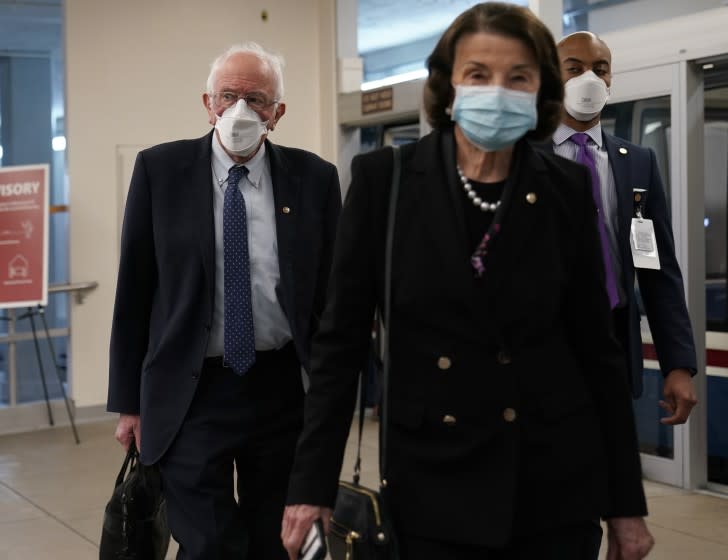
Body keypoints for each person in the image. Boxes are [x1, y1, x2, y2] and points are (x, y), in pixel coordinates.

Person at [281, 3, 653, 559]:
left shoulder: (565, 189)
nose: (497, 90)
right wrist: (311, 487)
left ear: (540, 92)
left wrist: (625, 503)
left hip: (551, 483)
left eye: (518, 77)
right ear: (448, 87)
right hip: (431, 481)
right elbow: (339, 346)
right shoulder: (387, 182)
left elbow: (596, 352)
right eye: (478, 74)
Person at [107, 42, 342, 560]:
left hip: (281, 385)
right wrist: (129, 401)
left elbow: (331, 295)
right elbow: (135, 291)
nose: (240, 110)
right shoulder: (159, 171)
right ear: (207, 102)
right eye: (228, 95)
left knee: (276, 540)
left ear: (278, 113)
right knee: (210, 543)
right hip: (192, 389)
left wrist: (336, 392)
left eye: (256, 98)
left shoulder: (315, 179)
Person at [552, 31, 698, 424]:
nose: (590, 79)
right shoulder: (524, 158)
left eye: (600, 70)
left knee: (609, 475)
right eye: (575, 68)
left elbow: (656, 268)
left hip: (613, 345)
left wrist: (678, 364)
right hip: (544, 348)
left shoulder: (637, 163)